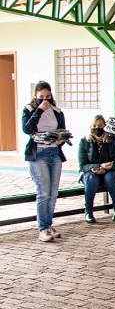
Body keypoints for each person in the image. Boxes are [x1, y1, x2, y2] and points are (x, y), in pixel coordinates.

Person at [21, 81, 68, 242]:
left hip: (54, 153)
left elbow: (62, 131)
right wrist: (39, 110)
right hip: (38, 154)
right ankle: (42, 228)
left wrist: (60, 140)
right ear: (35, 96)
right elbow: (27, 129)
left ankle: (48, 225)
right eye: (41, 96)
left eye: (47, 96)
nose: (45, 99)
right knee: (44, 192)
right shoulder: (29, 109)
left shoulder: (57, 111)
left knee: (53, 193)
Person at [78, 114, 115, 224]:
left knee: (110, 178)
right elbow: (82, 165)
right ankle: (88, 212)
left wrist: (105, 169)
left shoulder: (113, 141)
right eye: (94, 126)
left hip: (109, 170)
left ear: (105, 126)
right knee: (91, 179)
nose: (97, 128)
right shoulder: (84, 141)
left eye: (100, 125)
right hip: (90, 172)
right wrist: (98, 167)